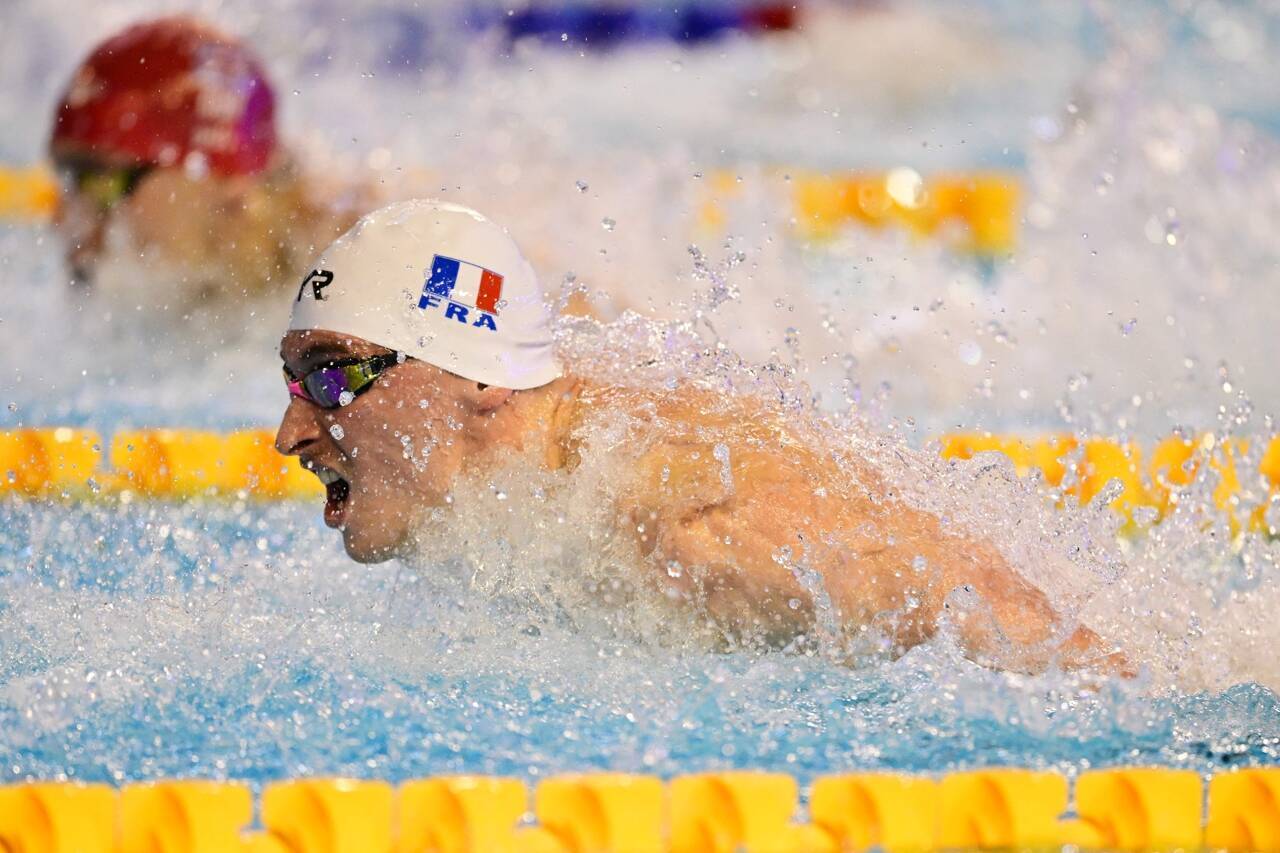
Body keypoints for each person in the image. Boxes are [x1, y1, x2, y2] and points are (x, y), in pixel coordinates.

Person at [275, 199, 1126, 675]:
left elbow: (1027, 633)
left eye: (331, 374)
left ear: (482, 377)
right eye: (292, 382)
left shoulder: (691, 523)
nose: (290, 432)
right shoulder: (525, 485)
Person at [48, 16, 360, 303]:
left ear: (224, 177)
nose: (60, 217)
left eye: (101, 180)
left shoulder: (362, 260)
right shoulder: (185, 290)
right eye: (66, 175)